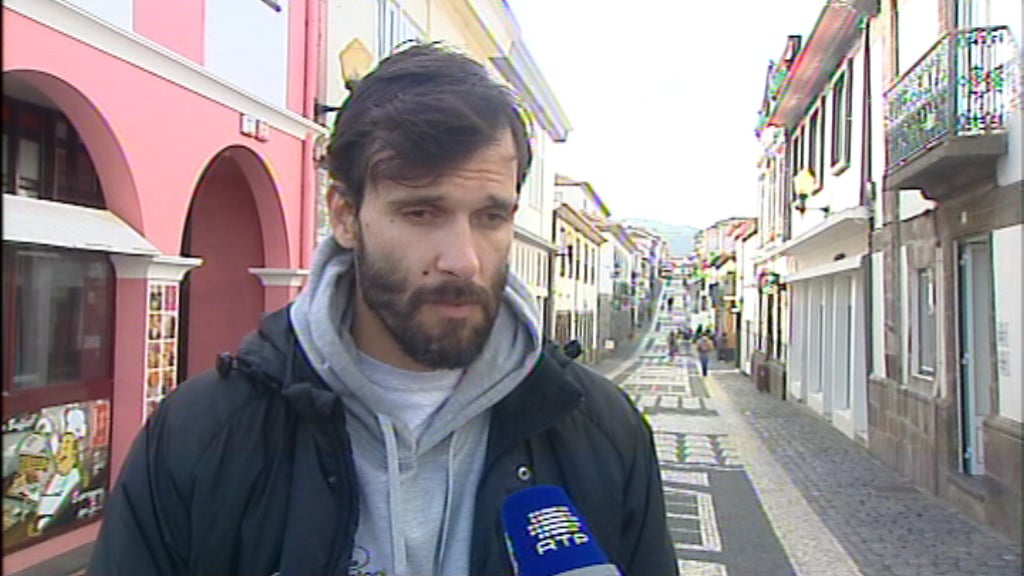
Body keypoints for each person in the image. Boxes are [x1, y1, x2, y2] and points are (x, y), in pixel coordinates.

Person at [89, 43, 677, 576]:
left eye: (491, 217)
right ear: (345, 215)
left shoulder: (604, 432)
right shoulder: (203, 435)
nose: (463, 260)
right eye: (421, 212)